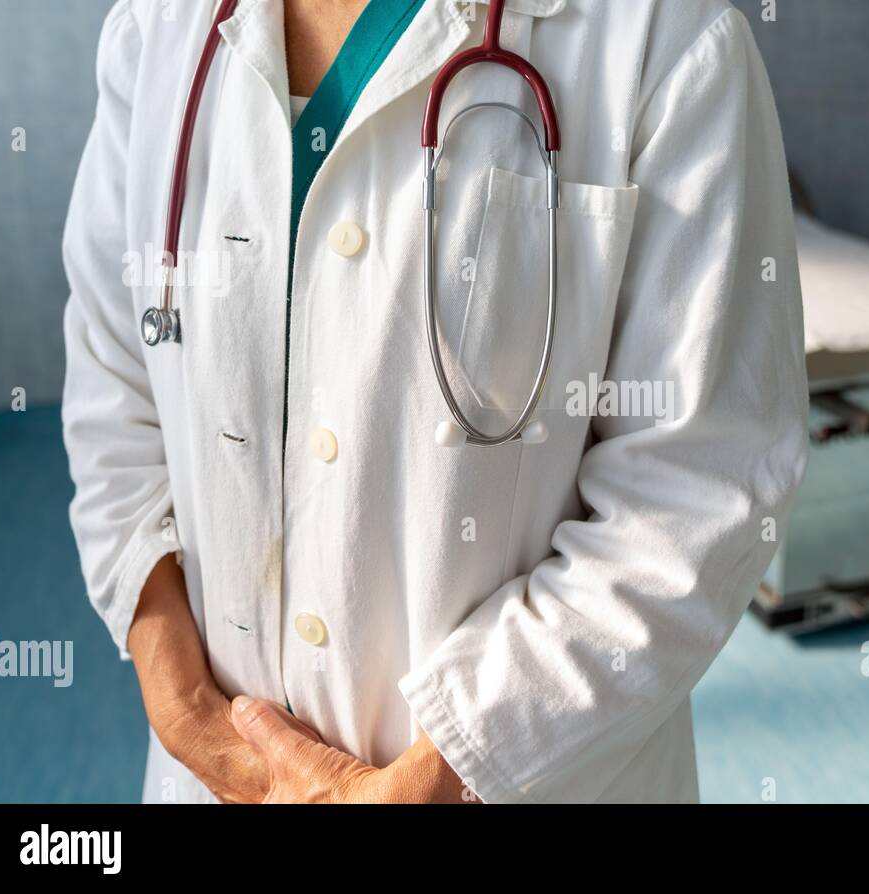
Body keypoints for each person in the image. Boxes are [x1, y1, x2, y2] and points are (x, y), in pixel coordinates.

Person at [62, 0, 808, 804]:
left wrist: (434, 776)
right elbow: (114, 385)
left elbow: (698, 489)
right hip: (209, 777)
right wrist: (183, 705)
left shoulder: (664, 36)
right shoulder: (155, 28)